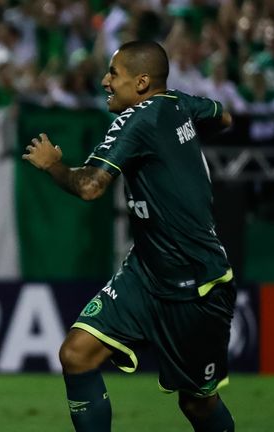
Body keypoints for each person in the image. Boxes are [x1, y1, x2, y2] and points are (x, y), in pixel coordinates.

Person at [22, 40, 236, 432]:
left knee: (197, 403)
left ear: (140, 83)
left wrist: (54, 165)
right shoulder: (179, 103)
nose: (104, 81)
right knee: (76, 354)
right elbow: (224, 117)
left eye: (113, 74)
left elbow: (90, 186)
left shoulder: (136, 119)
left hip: (196, 283)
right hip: (147, 270)